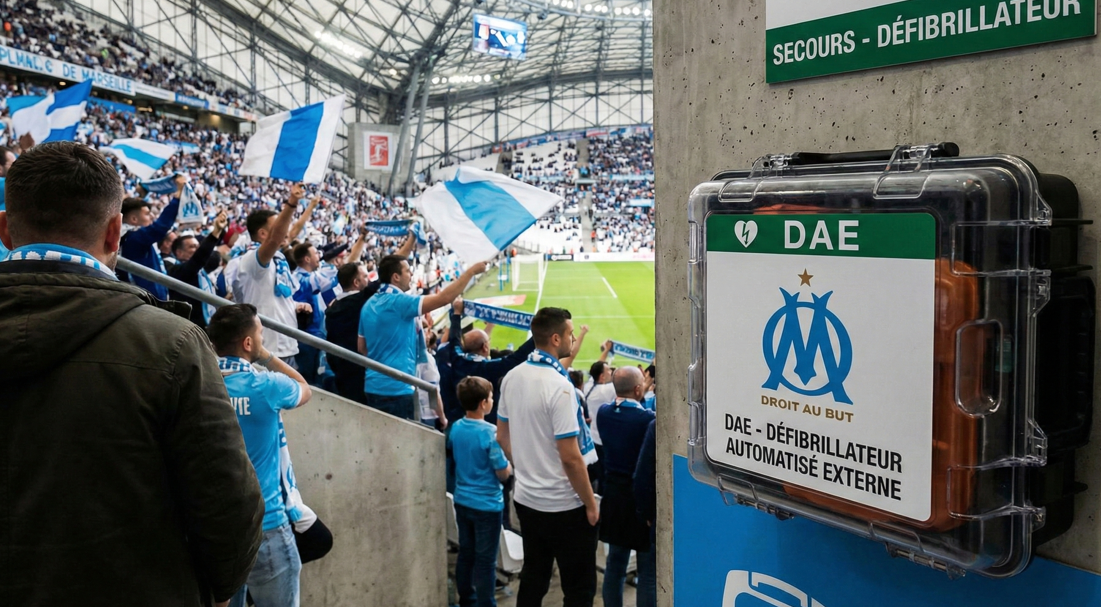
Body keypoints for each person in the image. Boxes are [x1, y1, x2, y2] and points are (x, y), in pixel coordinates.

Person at [0, 141, 263, 607]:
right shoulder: (173, 343)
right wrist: (217, 592)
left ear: (4, 229)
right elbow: (229, 507)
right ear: (115, 232)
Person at [206, 304, 313, 607]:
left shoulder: (203, 385)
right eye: (261, 337)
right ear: (248, 343)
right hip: (267, 526)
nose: (263, 343)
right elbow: (305, 388)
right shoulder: (266, 385)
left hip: (219, 530)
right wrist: (266, 357)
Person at [498, 307, 600, 607]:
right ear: (556, 338)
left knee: (534, 576)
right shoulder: (559, 387)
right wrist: (591, 504)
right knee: (579, 588)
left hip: (527, 500)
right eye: (570, 334)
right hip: (565, 505)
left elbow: (502, 437)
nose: (572, 339)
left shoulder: (512, 377)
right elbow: (570, 458)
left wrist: (529, 468)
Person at [357, 254, 487, 420]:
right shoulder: (400, 302)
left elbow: (362, 347)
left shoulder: (368, 305)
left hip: (372, 386)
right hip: (397, 388)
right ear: (396, 277)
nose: (411, 275)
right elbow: (444, 298)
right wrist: (471, 272)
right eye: (407, 271)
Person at [450, 377, 512, 607]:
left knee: (466, 553)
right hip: (487, 505)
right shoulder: (491, 434)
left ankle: (467, 599)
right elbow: (502, 473)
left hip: (462, 500)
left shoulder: (456, 427)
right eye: (491, 397)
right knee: (486, 561)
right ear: (483, 403)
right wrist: (510, 466)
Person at [596, 367, 656, 607]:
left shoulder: (603, 413)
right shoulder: (647, 420)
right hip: (640, 499)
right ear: (639, 389)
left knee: (615, 566)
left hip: (613, 497)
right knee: (648, 572)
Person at [235, 184, 312, 367]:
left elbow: (275, 297)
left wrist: (296, 306)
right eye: (277, 225)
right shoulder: (252, 260)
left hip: (287, 346)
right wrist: (291, 204)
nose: (284, 230)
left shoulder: (280, 259)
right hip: (267, 350)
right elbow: (274, 239)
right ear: (262, 234)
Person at [118, 174, 186, 299]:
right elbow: (160, 227)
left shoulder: (125, 235)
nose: (152, 217)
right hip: (145, 300)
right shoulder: (133, 239)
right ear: (133, 219)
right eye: (148, 214)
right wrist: (179, 194)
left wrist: (140, 196)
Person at [169, 210, 228, 327]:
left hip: (207, 327)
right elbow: (199, 258)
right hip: (189, 329)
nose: (197, 249)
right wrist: (215, 232)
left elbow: (210, 257)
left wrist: (221, 230)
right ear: (179, 253)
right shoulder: (177, 271)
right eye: (192, 247)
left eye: (198, 246)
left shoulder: (201, 270)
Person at [324, 261, 373, 404]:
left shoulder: (334, 306)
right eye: (365, 276)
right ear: (356, 282)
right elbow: (385, 277)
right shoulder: (356, 302)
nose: (368, 281)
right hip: (357, 371)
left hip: (340, 370)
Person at [633, 419, 657, 607]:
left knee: (650, 576)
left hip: (663, 516)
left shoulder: (657, 425)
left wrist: (647, 513)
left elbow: (642, 476)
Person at [585, 356, 616, 494]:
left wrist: (606, 352)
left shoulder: (588, 386)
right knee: (604, 476)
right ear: (602, 376)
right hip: (601, 441)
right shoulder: (606, 391)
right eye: (609, 370)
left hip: (591, 437)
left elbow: (595, 368)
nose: (611, 372)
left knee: (592, 472)